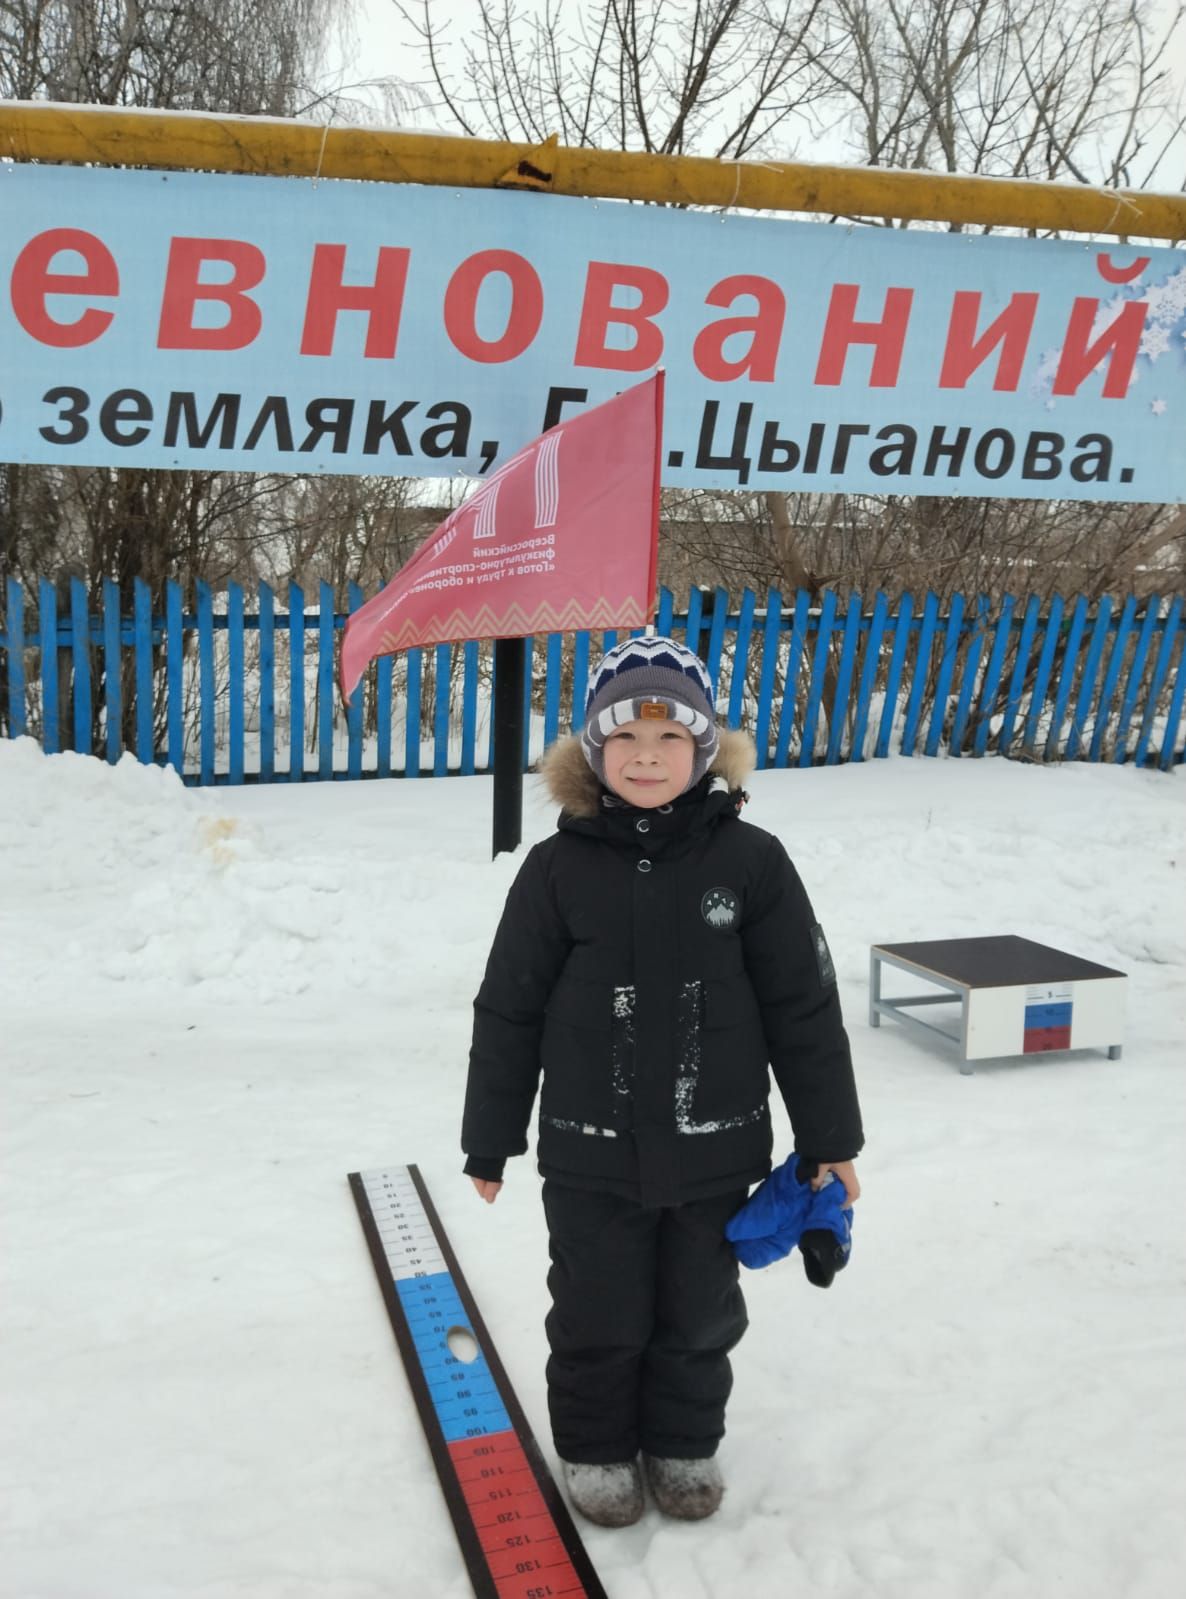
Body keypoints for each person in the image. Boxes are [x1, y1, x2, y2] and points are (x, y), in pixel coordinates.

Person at [462, 636, 863, 1528]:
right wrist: (490, 1136)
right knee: (598, 1312)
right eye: (626, 738)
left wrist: (832, 1141)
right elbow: (509, 1007)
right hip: (589, 1150)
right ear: (595, 753)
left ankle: (683, 1441)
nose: (647, 756)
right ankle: (598, 1448)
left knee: (698, 1313)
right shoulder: (556, 869)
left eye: (671, 738)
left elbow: (805, 1005)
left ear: (705, 749)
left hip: (714, 1146)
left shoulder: (753, 864)